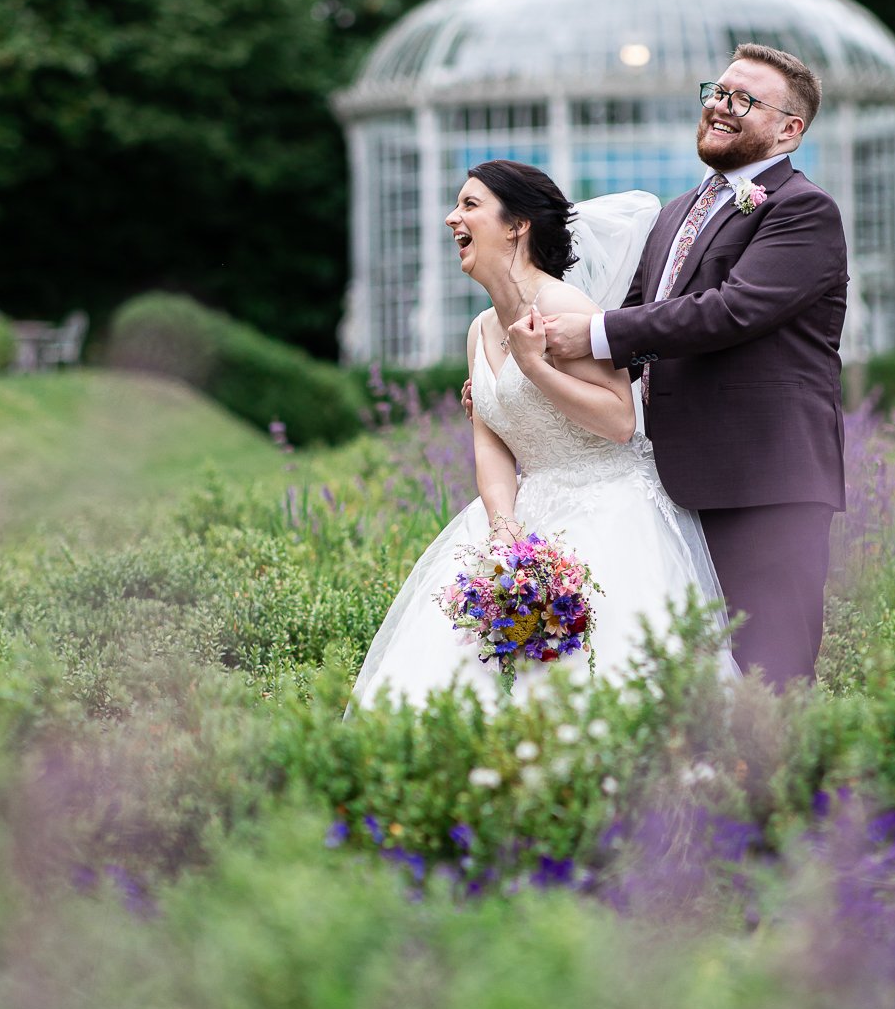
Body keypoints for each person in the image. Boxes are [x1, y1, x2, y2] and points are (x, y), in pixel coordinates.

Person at [348, 160, 725, 711]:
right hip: (526, 510)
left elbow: (619, 421)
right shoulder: (479, 329)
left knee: (597, 681)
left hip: (611, 511)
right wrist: (504, 532)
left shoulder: (565, 309)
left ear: (516, 225)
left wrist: (537, 369)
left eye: (470, 205)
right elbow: (491, 441)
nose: (453, 217)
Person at [543, 44, 848, 690]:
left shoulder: (801, 209)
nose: (719, 105)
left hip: (763, 480)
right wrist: (529, 381)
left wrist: (591, 333)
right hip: (668, 478)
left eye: (743, 99)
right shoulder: (673, 213)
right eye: (716, 91)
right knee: (688, 669)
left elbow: (730, 312)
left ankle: (792, 791)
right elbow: (633, 331)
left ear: (789, 129)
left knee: (772, 672)